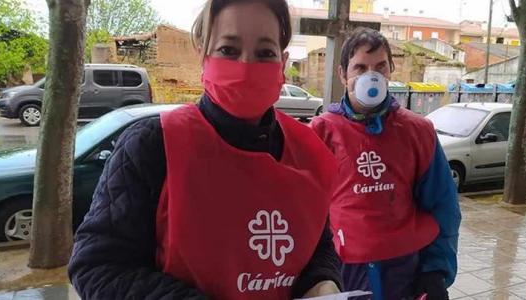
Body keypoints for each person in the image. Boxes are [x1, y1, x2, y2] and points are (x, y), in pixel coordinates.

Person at [68, 1, 343, 299]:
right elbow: (97, 266)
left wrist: (324, 282)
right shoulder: (153, 145)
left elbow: (319, 245)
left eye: (265, 53)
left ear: (283, 62)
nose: (246, 67)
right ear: (203, 55)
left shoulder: (310, 152)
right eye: (228, 50)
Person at [310, 27, 461, 300]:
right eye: (360, 68)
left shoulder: (418, 131)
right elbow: (303, 212)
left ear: (390, 71)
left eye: (380, 67)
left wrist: (435, 270)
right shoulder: (321, 132)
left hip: (404, 271)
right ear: (343, 75)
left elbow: (443, 205)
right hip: (343, 270)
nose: (372, 76)